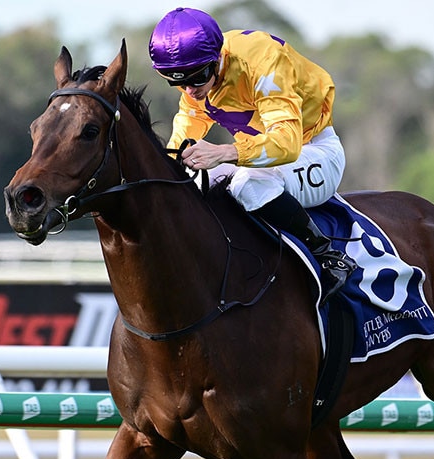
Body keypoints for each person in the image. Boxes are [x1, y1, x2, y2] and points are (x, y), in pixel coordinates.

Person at [150, 6, 356, 303]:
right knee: (199, 186)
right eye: (177, 82)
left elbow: (287, 143)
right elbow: (188, 127)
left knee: (247, 184)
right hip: (264, 159)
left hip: (314, 151)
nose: (189, 90)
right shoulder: (196, 79)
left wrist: (225, 152)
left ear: (217, 58)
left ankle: (327, 253)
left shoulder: (262, 59)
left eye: (197, 78)